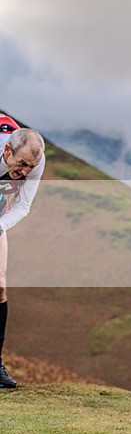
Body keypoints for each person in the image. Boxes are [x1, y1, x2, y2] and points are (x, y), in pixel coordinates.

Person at [0, 115, 46, 389]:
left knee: (0, 289)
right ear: (8, 151)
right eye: (22, 164)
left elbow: (23, 206)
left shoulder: (35, 162)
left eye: (32, 166)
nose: (27, 172)